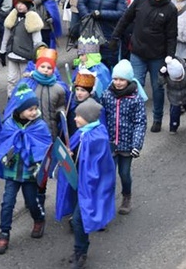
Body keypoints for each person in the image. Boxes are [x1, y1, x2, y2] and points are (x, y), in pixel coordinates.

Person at [110, 0, 178, 132]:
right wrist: (115, 37)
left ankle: (157, 118)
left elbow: (171, 36)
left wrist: (169, 57)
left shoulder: (170, 9)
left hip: (157, 56)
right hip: (138, 52)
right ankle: (136, 117)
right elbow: (125, 19)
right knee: (135, 85)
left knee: (157, 87)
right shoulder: (140, 0)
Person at [0, 84, 52, 255]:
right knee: (7, 203)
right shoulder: (9, 124)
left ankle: (39, 219)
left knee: (32, 201)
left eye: (35, 108)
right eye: (30, 109)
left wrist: (38, 163)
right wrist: (5, 155)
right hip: (12, 171)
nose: (34, 112)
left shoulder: (40, 126)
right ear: (20, 109)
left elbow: (45, 148)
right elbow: (3, 143)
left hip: (29, 172)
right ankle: (4, 234)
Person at [55, 99, 116, 269]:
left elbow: (95, 167)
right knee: (78, 221)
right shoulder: (84, 133)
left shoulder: (96, 138)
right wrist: (69, 155)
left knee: (77, 221)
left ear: (88, 117)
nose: (75, 119)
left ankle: (81, 252)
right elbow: (78, 156)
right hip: (81, 184)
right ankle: (79, 250)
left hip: (90, 188)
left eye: (78, 116)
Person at [100, 59, 147, 215]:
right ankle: (106, 203)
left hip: (127, 145)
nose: (118, 83)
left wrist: (136, 145)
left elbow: (140, 122)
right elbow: (100, 116)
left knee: (124, 173)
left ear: (129, 80)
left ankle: (126, 196)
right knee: (109, 175)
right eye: (115, 79)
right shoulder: (107, 95)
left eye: (122, 79)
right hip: (111, 144)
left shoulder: (136, 99)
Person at [77, 0, 128, 69]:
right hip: (89, 32)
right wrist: (87, 16)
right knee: (87, 63)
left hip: (108, 33)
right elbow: (81, 2)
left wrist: (101, 14)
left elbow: (121, 13)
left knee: (106, 63)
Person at [0, 0, 44, 96]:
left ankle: (26, 101)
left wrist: (37, 56)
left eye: (22, 4)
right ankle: (11, 101)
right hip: (12, 53)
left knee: (26, 79)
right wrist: (2, 50)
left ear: (27, 5)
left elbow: (37, 40)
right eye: (18, 3)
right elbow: (6, 35)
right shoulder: (12, 17)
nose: (20, 6)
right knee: (11, 79)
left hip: (26, 56)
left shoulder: (32, 18)